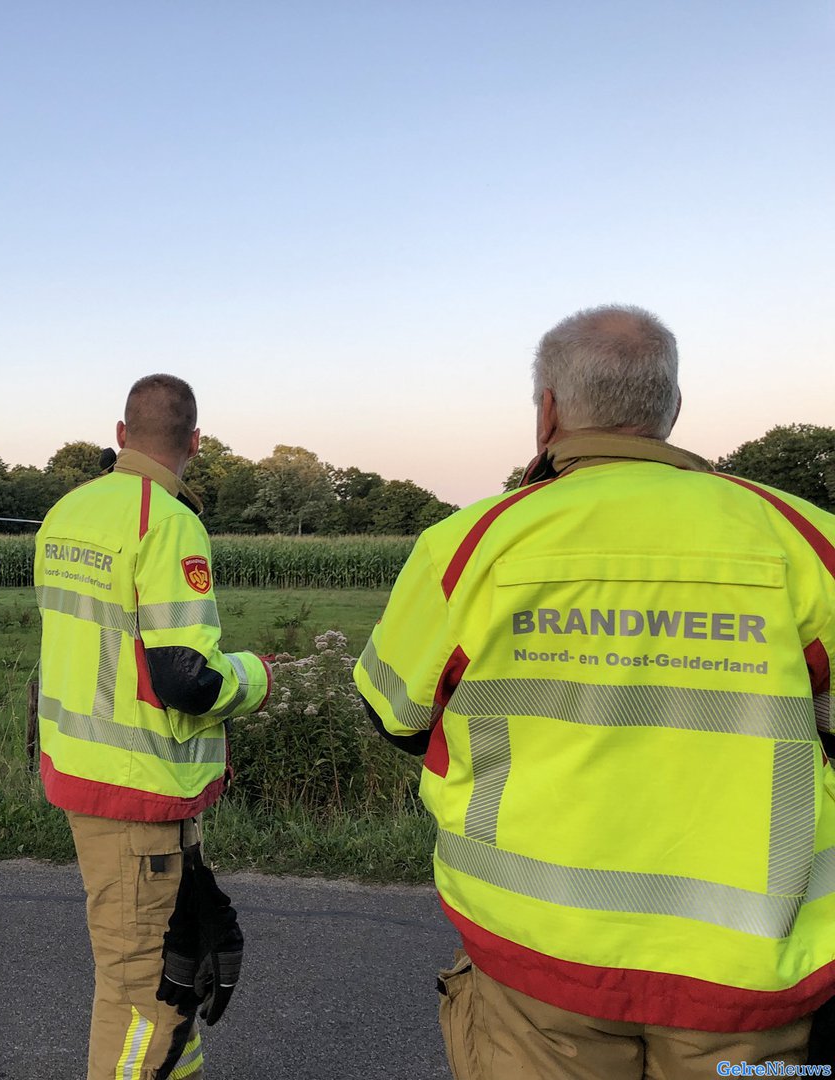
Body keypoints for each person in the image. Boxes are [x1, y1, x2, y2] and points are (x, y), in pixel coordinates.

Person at [354, 305, 835, 1078]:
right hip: (753, 969)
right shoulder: (806, 540)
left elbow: (396, 717)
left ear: (547, 411)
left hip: (536, 958)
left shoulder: (470, 545)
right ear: (672, 409)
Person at [35, 374, 272, 1080]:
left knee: (150, 977)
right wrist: (259, 677)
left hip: (82, 771)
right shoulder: (167, 522)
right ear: (196, 441)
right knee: (150, 999)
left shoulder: (67, 512)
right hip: (140, 789)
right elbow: (186, 679)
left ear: (120, 434)